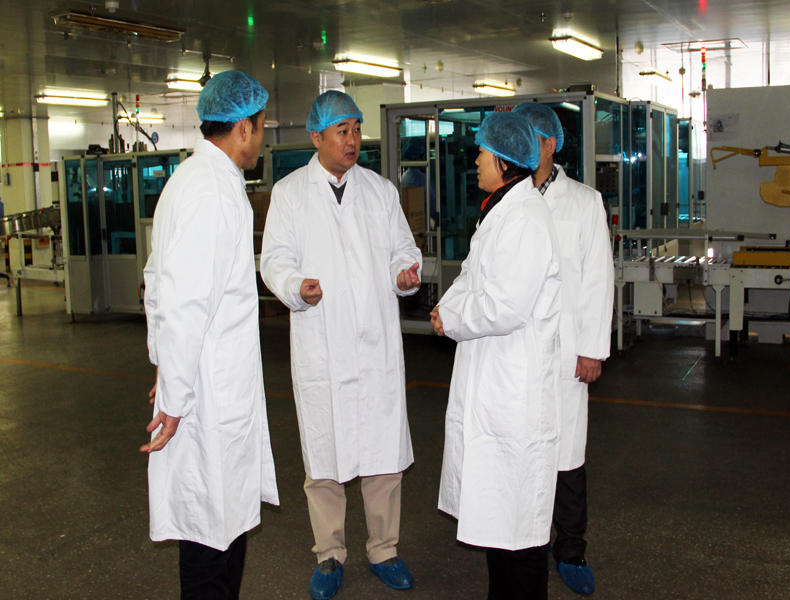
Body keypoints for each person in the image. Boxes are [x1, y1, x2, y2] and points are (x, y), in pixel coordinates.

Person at [260, 90, 422, 600]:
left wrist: (404, 273)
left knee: (382, 456)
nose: (353, 140)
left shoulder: (380, 191)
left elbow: (403, 248)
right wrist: (296, 287)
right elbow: (274, 259)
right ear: (316, 137)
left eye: (356, 129)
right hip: (323, 345)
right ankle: (329, 554)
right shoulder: (290, 193)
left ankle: (384, 549)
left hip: (374, 346)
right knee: (324, 459)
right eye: (342, 131)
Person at [141, 70, 279, 600]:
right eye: (261, 127)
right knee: (209, 538)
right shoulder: (212, 193)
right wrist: (175, 397)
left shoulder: (194, 179)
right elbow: (184, 302)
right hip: (208, 394)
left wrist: (164, 365)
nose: (261, 138)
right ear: (243, 128)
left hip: (208, 379)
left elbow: (157, 282)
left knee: (222, 526)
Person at [431, 111, 562, 600]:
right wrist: (446, 309)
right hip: (493, 382)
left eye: (482, 154)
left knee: (518, 533)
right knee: (499, 527)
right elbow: (471, 277)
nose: (477, 162)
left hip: (513, 393)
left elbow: (505, 306)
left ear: (505, 161)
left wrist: (452, 319)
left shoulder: (525, 219)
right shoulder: (501, 211)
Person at [513, 101, 614, 596]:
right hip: (517, 351)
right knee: (521, 452)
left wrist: (592, 349)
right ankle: (523, 541)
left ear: (549, 144)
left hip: (567, 350)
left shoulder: (584, 202)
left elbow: (598, 279)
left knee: (568, 456)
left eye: (527, 138)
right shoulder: (507, 199)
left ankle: (571, 549)